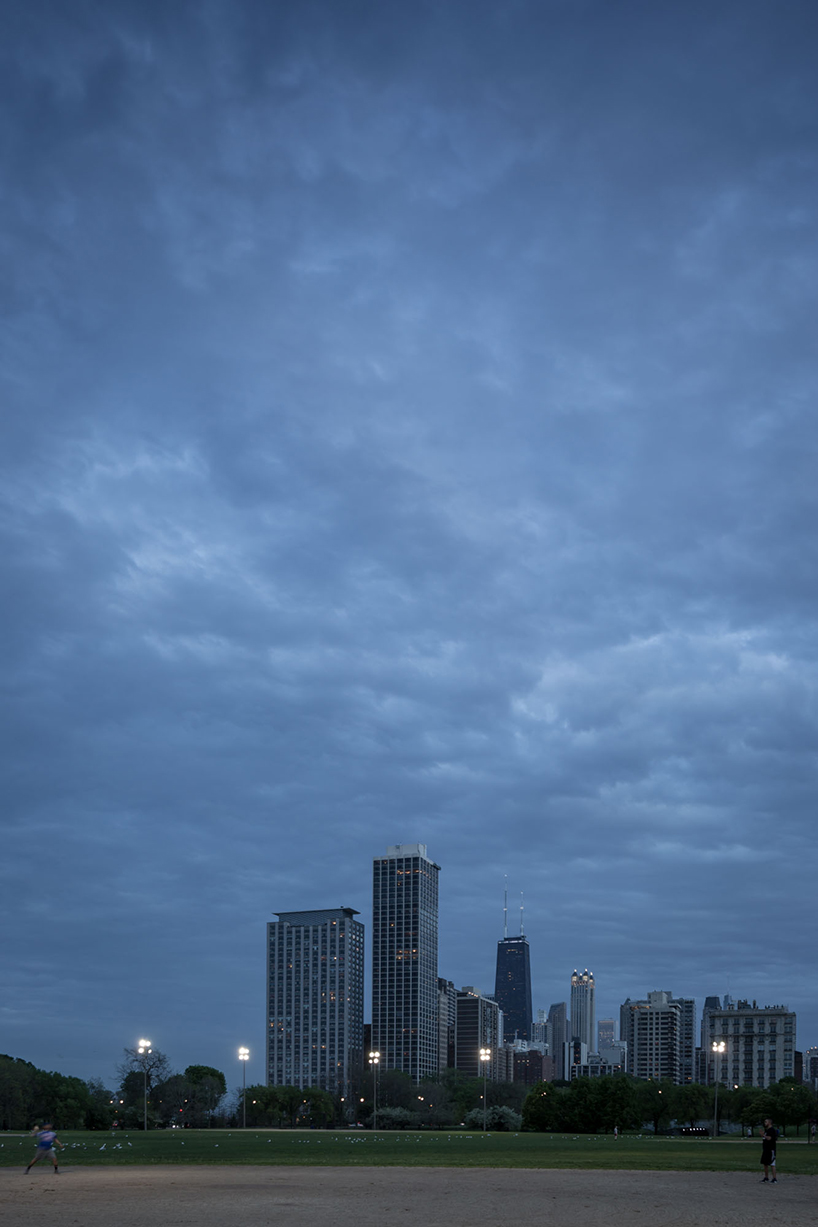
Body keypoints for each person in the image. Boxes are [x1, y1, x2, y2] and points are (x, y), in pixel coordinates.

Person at [759, 1117, 779, 1183]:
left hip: (771, 1150)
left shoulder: (772, 1130)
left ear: (769, 1123)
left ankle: (774, 1178)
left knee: (772, 1164)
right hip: (766, 1149)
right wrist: (763, 1136)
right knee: (765, 1164)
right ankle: (766, 1177)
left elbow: (770, 1138)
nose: (765, 1123)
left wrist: (763, 1136)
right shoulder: (767, 1130)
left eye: (766, 1122)